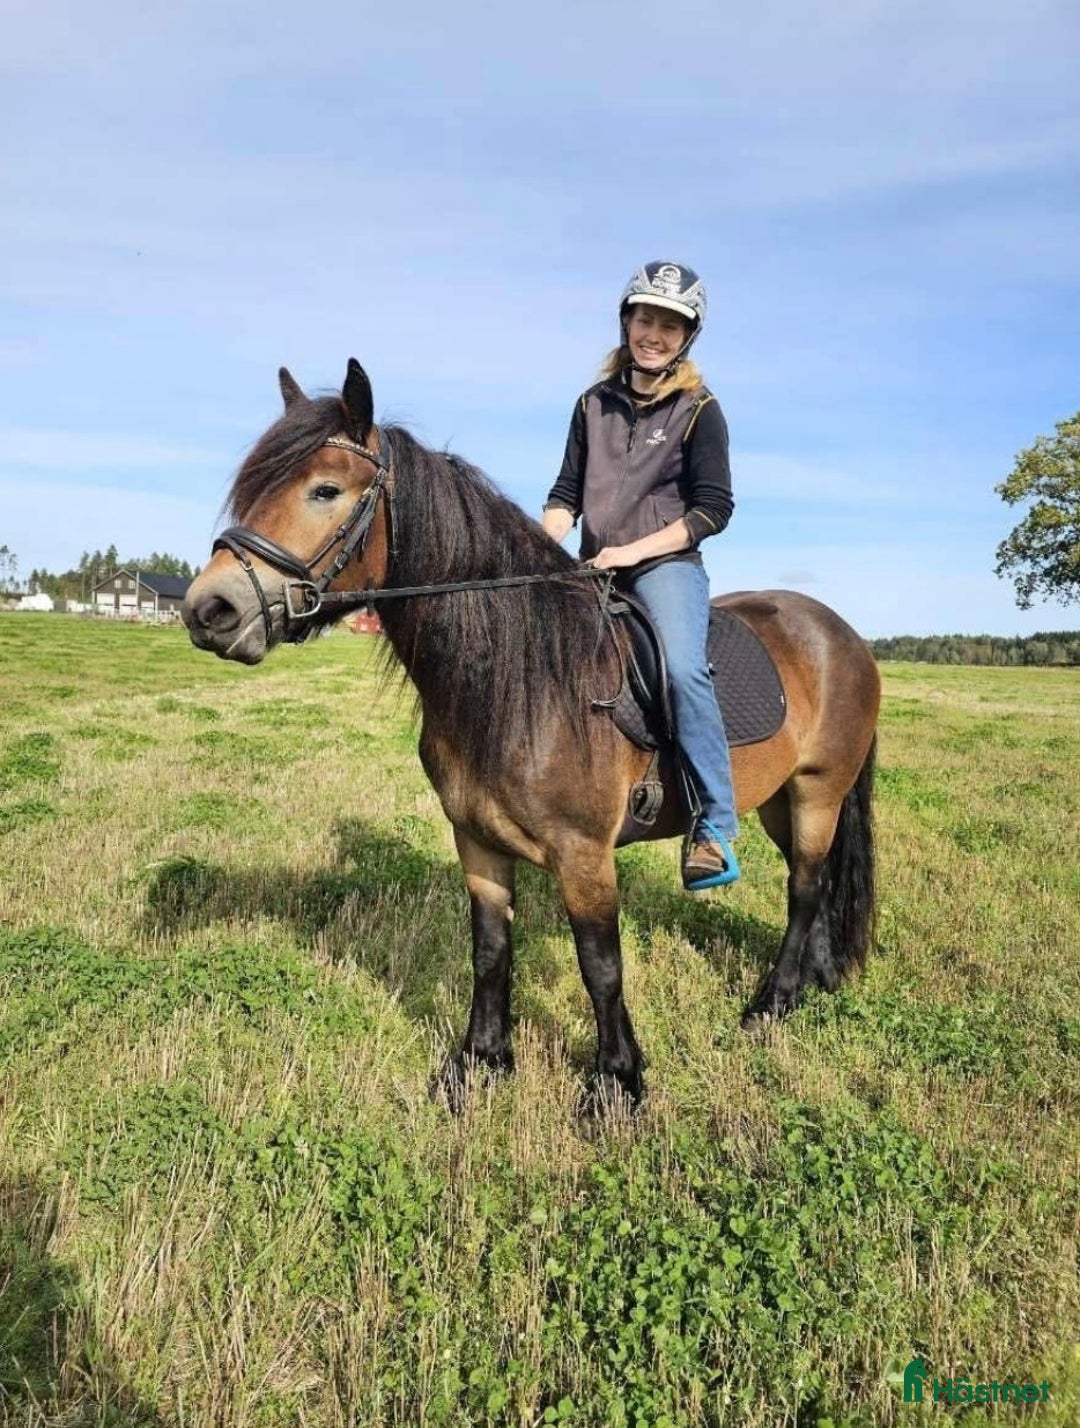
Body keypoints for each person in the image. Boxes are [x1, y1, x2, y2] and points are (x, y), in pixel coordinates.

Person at [542, 260, 740, 890]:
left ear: (687, 337)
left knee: (682, 669)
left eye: (670, 325)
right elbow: (565, 495)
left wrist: (630, 553)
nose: (655, 334)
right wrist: (537, 545)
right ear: (626, 322)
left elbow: (712, 510)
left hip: (664, 567)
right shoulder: (591, 404)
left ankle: (713, 823)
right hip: (593, 567)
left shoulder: (699, 408)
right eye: (646, 319)